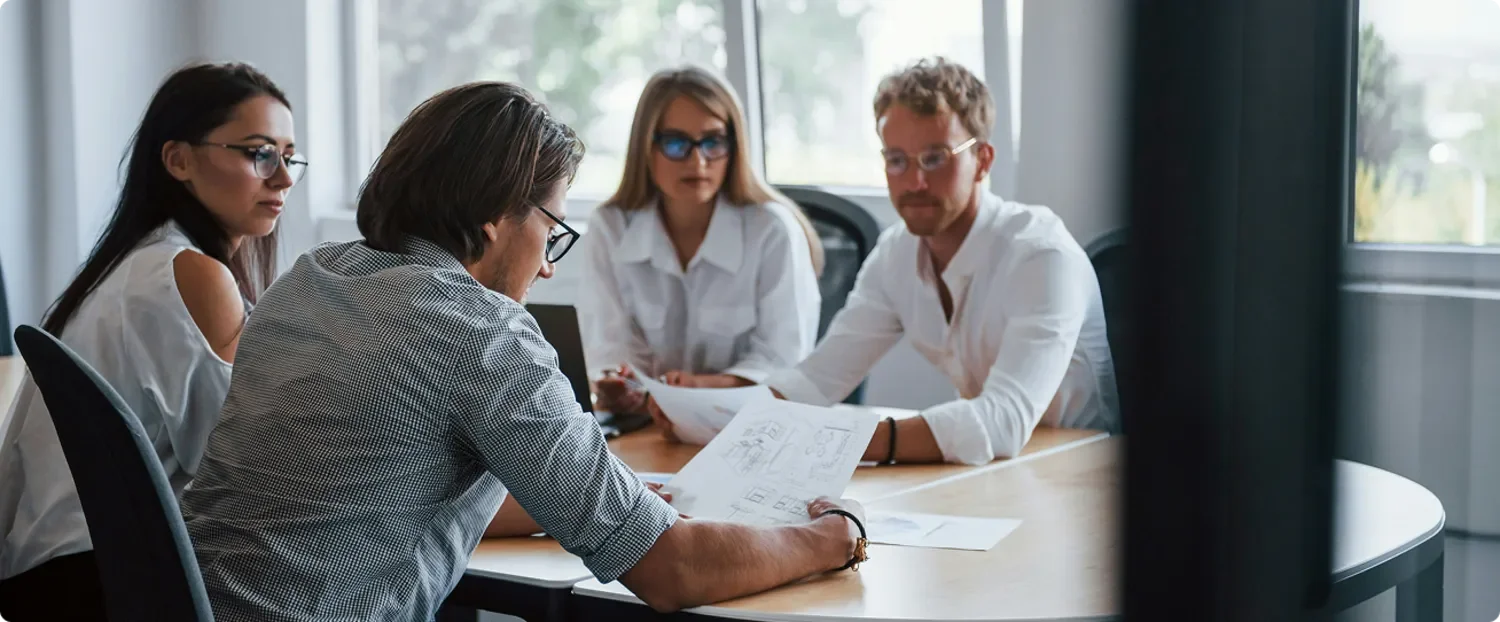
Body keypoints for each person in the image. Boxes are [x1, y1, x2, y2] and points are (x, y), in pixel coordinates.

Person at [180, 81, 864, 621]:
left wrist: (588, 496)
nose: (546, 266)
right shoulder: (479, 333)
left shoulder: (310, 279)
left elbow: (372, 495)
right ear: (496, 217)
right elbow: (670, 571)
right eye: (552, 226)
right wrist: (829, 537)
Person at [0, 62, 301, 618]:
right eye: (259, 153)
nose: (282, 178)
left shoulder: (134, 265)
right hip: (106, 587)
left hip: (54, 580)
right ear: (178, 159)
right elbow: (240, 471)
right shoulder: (191, 274)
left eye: (289, 156)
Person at [763, 57, 1120, 466]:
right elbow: (814, 381)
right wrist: (721, 421)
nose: (914, 182)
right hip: (987, 475)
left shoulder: (1040, 255)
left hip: (1081, 478)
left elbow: (1002, 422)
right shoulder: (897, 254)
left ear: (983, 160)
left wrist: (845, 441)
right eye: (896, 160)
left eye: (935, 158)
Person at [580, 66, 823, 419]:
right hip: (646, 429)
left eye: (713, 142)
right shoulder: (610, 228)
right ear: (646, 147)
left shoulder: (772, 231)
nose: (698, 161)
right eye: (677, 143)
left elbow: (785, 364)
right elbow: (609, 351)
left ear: (733, 146)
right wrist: (626, 388)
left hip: (747, 424)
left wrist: (699, 388)